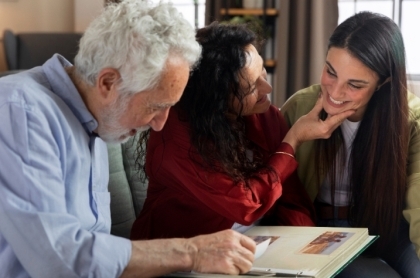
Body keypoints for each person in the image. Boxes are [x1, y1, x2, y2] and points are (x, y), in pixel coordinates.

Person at [0, 1, 259, 277]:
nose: (160, 125)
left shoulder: (95, 119)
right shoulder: (20, 111)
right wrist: (192, 252)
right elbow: (59, 259)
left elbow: (95, 250)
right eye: (155, 106)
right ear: (108, 83)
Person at [130, 22, 354, 240]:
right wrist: (293, 140)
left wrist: (305, 247)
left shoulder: (264, 115)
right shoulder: (175, 137)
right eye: (251, 88)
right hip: (183, 254)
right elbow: (246, 204)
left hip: (255, 246)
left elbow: (291, 198)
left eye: (263, 71)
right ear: (216, 100)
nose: (268, 89)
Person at [281, 11, 420, 278]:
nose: (334, 93)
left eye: (354, 85)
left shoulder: (411, 120)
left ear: (383, 83)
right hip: (319, 231)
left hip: (389, 229)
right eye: (330, 72)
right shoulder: (299, 107)